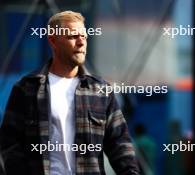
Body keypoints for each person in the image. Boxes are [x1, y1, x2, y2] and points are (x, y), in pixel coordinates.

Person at [0, 11, 139, 175]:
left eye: (84, 36)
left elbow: (120, 146)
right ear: (53, 40)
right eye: (73, 36)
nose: (81, 42)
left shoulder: (101, 91)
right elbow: (9, 144)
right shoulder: (26, 89)